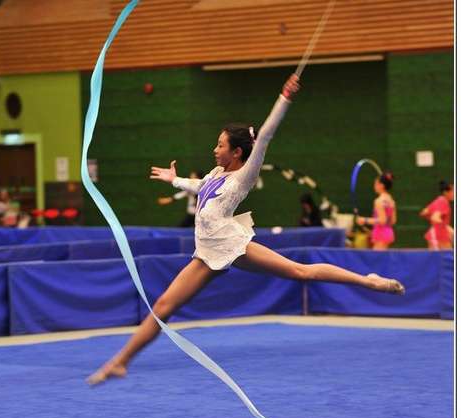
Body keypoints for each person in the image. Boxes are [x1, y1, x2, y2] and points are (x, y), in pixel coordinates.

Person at [87, 73, 405, 385]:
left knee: (300, 272)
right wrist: (176, 181)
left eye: (220, 145)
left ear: (237, 152)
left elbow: (264, 135)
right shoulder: (215, 173)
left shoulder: (243, 176)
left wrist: (284, 98)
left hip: (232, 245)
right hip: (207, 252)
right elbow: (200, 188)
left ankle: (369, 281)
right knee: (163, 306)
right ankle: (120, 363)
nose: (214, 149)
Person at [356, 173, 396, 250]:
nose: (374, 186)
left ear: (382, 186)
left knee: (378, 257)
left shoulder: (379, 201)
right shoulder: (391, 200)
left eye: (376, 184)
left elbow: (382, 220)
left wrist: (364, 220)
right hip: (388, 233)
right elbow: (393, 221)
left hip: (381, 234)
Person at [419, 181, 454, 250]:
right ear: (445, 192)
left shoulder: (438, 200)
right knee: (447, 256)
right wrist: (446, 227)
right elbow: (435, 218)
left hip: (436, 235)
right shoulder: (443, 201)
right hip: (439, 236)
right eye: (453, 191)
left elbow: (424, 213)